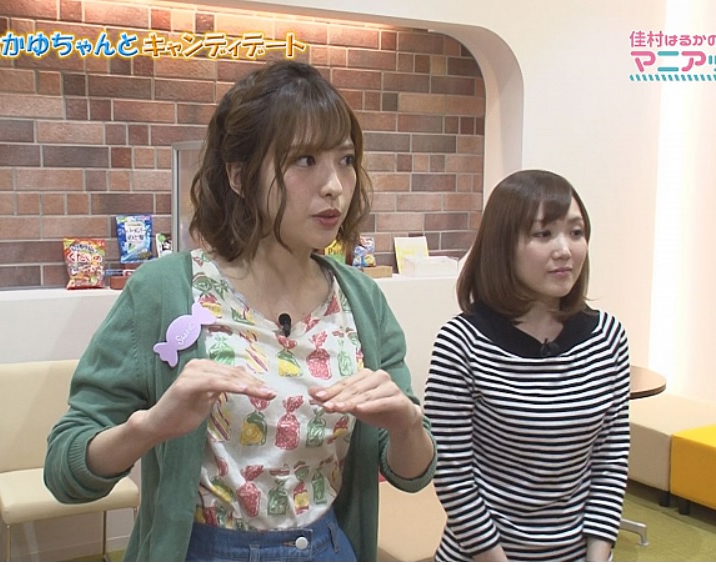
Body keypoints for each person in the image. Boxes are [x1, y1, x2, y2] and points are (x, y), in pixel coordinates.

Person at [45, 61, 436, 562]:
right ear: (238, 176)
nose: (335, 185)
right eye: (305, 160)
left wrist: (406, 425)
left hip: (327, 548)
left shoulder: (360, 300)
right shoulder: (164, 291)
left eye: (345, 160)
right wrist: (150, 427)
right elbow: (65, 469)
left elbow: (412, 473)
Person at [423, 170, 630, 562]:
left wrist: (597, 559)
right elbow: (452, 475)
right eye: (543, 234)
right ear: (503, 246)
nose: (565, 249)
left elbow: (610, 463)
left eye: (576, 232)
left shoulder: (609, 337)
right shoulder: (462, 341)